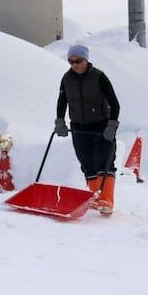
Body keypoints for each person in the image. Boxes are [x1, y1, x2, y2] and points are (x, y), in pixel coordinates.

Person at [54, 44, 121, 215]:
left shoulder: (99, 77)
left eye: (78, 60)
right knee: (86, 162)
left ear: (86, 60)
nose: (75, 64)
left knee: (104, 161)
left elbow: (114, 102)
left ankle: (106, 200)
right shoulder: (66, 78)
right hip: (78, 125)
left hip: (101, 124)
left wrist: (112, 125)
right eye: (71, 61)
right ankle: (95, 198)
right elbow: (62, 101)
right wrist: (60, 121)